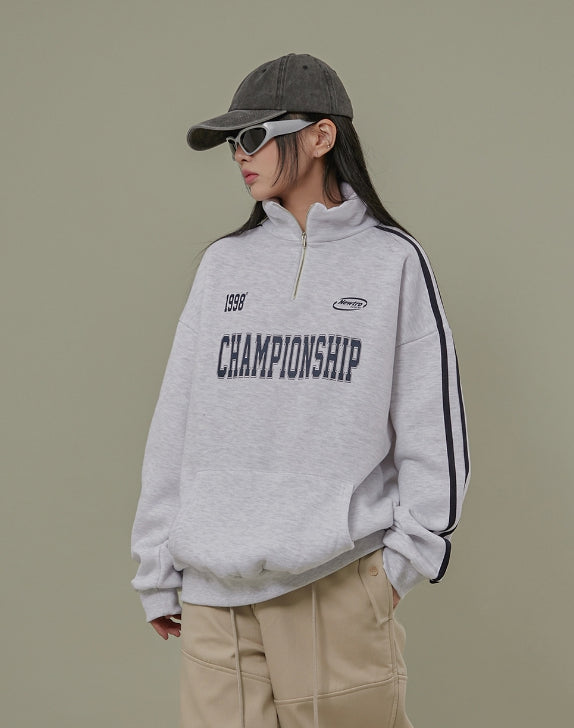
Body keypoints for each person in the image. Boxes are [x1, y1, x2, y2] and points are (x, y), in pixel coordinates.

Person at [131, 53, 470, 728]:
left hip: (332, 586)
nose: (240, 154)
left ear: (320, 136)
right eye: (233, 142)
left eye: (254, 136)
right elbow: (178, 421)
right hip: (212, 597)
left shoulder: (393, 263)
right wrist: (157, 564)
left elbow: (433, 429)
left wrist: (400, 567)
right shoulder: (223, 265)